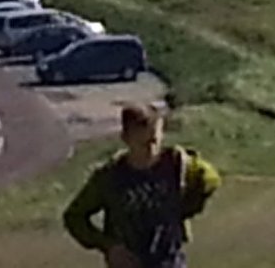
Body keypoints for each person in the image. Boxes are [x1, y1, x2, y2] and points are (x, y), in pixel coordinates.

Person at [63, 103, 221, 268]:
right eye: (143, 144)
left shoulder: (177, 165)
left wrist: (187, 207)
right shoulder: (110, 177)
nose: (151, 150)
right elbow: (75, 217)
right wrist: (109, 246)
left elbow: (211, 180)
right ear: (126, 138)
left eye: (154, 141)